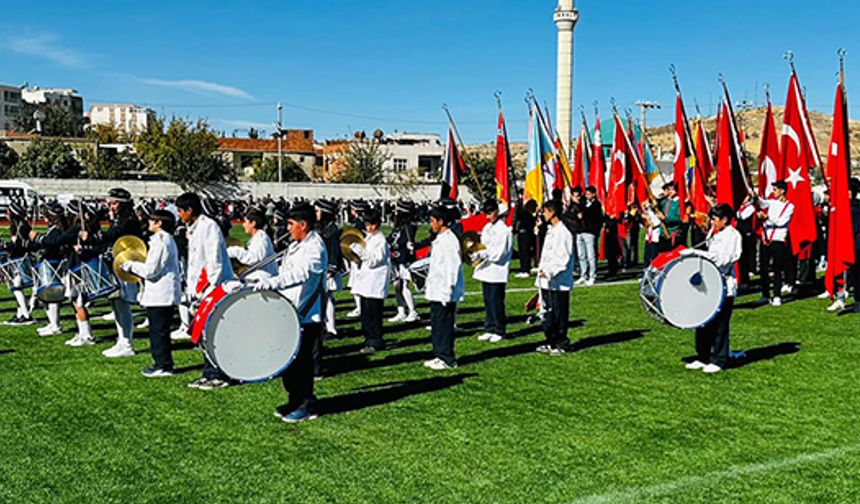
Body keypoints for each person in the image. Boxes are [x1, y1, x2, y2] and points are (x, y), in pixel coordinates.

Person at [252, 203, 326, 423]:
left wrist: (274, 283)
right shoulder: (297, 245)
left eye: (291, 224)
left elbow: (302, 273)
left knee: (302, 362)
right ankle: (294, 399)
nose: (288, 228)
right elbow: (287, 270)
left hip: (306, 313)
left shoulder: (315, 247)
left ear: (303, 225)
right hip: (291, 311)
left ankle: (307, 404)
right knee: (289, 360)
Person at [177, 192, 235, 390]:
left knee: (214, 332)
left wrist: (208, 288)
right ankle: (208, 372)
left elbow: (214, 260)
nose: (178, 215)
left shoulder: (209, 226)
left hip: (212, 289)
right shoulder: (192, 228)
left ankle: (220, 374)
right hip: (198, 290)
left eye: (180, 211)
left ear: (190, 211)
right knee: (203, 334)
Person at [78, 188, 143, 357]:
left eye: (114, 203)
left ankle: (127, 343)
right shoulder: (119, 218)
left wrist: (92, 238)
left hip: (126, 265)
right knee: (116, 304)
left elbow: (114, 235)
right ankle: (121, 340)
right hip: (116, 263)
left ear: (122, 204)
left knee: (122, 304)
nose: (110, 206)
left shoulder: (128, 220)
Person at [119, 209, 182, 377]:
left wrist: (130, 265)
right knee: (157, 330)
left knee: (159, 331)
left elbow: (151, 270)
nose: (149, 222)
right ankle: (160, 363)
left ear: (159, 223)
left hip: (161, 293)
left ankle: (163, 365)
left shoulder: (162, 240)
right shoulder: (161, 240)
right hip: (158, 293)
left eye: (152, 219)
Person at [681, 204, 742, 374]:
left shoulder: (733, 236)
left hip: (724, 285)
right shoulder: (714, 234)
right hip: (710, 283)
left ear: (724, 220)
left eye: (715, 219)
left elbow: (723, 260)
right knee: (703, 321)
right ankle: (703, 356)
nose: (712, 222)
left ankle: (719, 359)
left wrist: (697, 254)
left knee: (720, 324)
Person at [423, 202, 464, 370]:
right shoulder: (439, 239)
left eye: (433, 221)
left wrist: (448, 290)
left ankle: (447, 357)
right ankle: (439, 354)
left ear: (441, 221)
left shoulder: (450, 240)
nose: (431, 224)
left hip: (445, 290)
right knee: (437, 324)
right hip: (436, 288)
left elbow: (452, 267)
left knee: (445, 324)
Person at [535, 199, 575, 355]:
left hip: (559, 281)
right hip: (547, 281)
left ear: (552, 212)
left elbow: (563, 258)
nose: (543, 214)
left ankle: (562, 342)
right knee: (548, 313)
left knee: (560, 313)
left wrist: (550, 271)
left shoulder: (563, 232)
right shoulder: (551, 230)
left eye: (545, 211)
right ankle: (550, 341)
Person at [349, 208, 390, 353]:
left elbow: (374, 261)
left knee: (374, 316)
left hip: (374, 284)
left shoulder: (380, 240)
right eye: (367, 224)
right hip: (365, 282)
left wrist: (360, 251)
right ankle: (368, 340)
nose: (370, 227)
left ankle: (375, 341)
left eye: (373, 224)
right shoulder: (368, 238)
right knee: (366, 315)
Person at [472, 199, 513, 343]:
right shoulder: (486, 228)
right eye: (486, 214)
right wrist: (476, 253)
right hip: (485, 269)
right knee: (487, 300)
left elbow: (499, 253)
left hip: (497, 270)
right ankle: (489, 327)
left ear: (497, 211)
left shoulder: (504, 230)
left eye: (490, 213)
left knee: (496, 301)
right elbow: (482, 246)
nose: (488, 217)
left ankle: (500, 329)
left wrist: (484, 254)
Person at [28, 202, 69, 336]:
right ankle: (52, 323)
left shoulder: (58, 229)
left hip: (53, 263)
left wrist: (38, 239)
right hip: (49, 262)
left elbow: (51, 244)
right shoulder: (53, 229)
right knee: (44, 296)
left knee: (52, 294)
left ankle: (55, 325)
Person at [757, 181, 795, 306]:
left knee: (777, 268)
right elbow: (762, 202)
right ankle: (765, 294)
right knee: (764, 268)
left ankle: (777, 294)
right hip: (766, 239)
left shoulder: (789, 206)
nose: (773, 192)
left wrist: (766, 217)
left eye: (775, 189)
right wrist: (754, 196)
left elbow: (780, 222)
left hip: (778, 240)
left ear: (782, 191)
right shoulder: (772, 203)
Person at [1, 198, 35, 326]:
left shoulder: (21, 226)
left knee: (16, 288)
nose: (7, 214)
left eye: (9, 211)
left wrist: (6, 245)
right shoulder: (17, 226)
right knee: (17, 287)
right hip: (18, 259)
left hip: (21, 259)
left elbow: (21, 246)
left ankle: (26, 316)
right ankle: (20, 314)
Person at [315, 199, 343, 341]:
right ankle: (324, 326)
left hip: (328, 269)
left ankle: (331, 328)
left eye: (318, 211)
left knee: (329, 299)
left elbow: (334, 251)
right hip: (321, 267)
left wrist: (331, 268)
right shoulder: (320, 228)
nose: (316, 213)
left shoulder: (332, 230)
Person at [388, 201, 420, 323]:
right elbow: (392, 238)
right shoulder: (399, 226)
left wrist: (394, 246)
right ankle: (401, 311)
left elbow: (403, 241)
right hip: (396, 259)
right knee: (397, 286)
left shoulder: (409, 226)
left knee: (405, 286)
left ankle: (413, 311)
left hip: (405, 259)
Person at [227, 208, 277, 281]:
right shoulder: (259, 236)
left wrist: (234, 251)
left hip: (264, 277)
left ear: (253, 223)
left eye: (245, 222)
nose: (243, 225)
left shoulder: (261, 238)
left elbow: (253, 259)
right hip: (259, 275)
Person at [575, 186, 602, 286]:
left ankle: (592, 275)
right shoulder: (582, 204)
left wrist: (583, 213)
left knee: (591, 255)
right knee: (581, 255)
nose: (587, 196)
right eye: (586, 194)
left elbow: (591, 213)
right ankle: (583, 275)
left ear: (593, 194)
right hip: (580, 231)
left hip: (589, 232)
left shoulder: (596, 205)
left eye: (589, 194)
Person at [514, 199, 537, 278]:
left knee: (524, 252)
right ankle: (524, 268)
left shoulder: (526, 215)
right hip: (524, 234)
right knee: (523, 252)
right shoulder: (527, 214)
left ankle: (525, 269)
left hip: (525, 235)